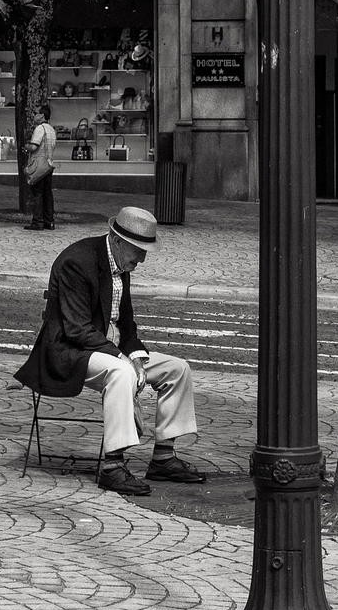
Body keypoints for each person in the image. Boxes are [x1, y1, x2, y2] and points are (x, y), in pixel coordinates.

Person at [12, 206, 205, 497]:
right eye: (138, 249)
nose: (142, 258)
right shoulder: (77, 262)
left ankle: (164, 457)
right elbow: (77, 330)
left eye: (145, 250)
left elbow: (125, 324)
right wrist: (123, 358)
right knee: (121, 371)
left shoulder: (120, 263)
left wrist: (137, 356)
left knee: (178, 369)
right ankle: (113, 466)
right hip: (70, 351)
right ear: (116, 240)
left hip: (107, 347)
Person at [23, 105, 56, 231]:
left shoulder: (40, 128)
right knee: (48, 194)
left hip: (39, 166)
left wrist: (25, 146)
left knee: (37, 193)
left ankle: (37, 221)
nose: (34, 115)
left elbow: (34, 146)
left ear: (42, 115)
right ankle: (49, 221)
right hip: (49, 165)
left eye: (36, 113)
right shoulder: (52, 130)